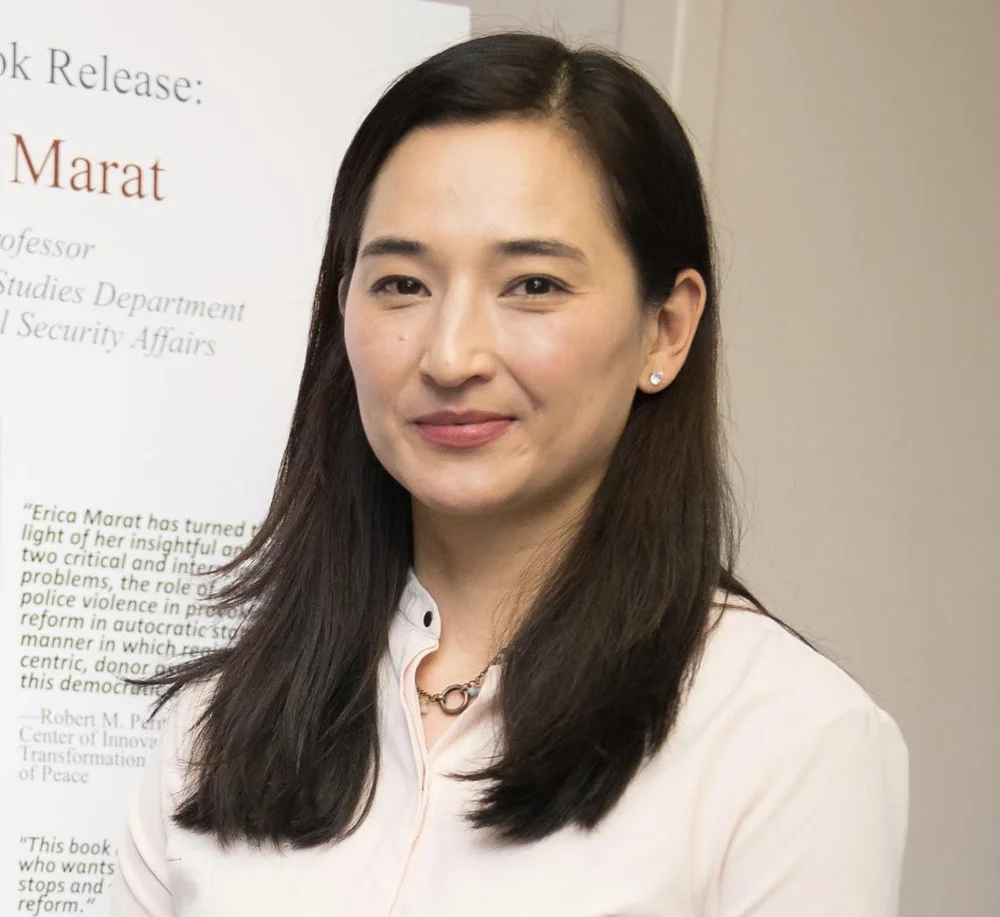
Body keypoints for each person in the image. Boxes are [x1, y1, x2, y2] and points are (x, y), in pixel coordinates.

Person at [106, 30, 908, 917]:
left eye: (533, 286)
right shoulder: (216, 727)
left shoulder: (787, 736)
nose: (451, 355)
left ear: (666, 329)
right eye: (402, 284)